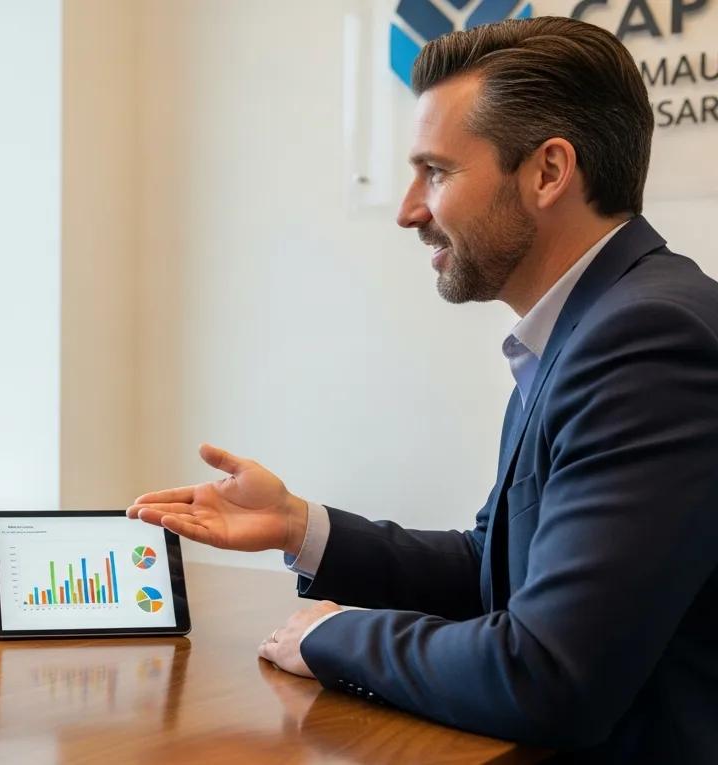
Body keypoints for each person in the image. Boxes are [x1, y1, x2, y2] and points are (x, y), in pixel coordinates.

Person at [128, 17, 717, 761]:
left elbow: (545, 673)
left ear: (548, 172)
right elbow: (494, 567)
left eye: (436, 172)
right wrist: (298, 524)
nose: (409, 208)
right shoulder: (594, 325)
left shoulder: (647, 340)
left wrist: (334, 634)